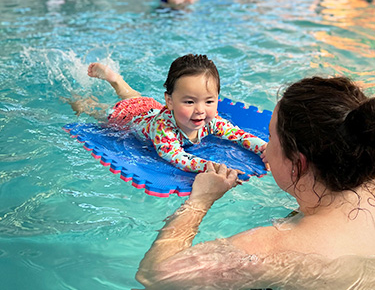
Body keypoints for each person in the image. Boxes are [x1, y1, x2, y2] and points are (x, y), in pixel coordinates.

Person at [135, 76, 375, 289]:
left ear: (298, 164)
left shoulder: (274, 249)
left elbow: (156, 276)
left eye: (271, 138)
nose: (266, 148)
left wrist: (200, 201)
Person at [69, 54, 267, 174]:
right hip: (126, 118)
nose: (200, 110)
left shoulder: (210, 120)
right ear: (170, 101)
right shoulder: (163, 130)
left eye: (209, 101)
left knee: (133, 96)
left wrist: (266, 149)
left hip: (150, 107)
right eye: (189, 101)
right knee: (97, 111)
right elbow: (179, 158)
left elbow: (239, 135)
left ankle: (117, 81)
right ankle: (80, 99)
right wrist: (215, 167)